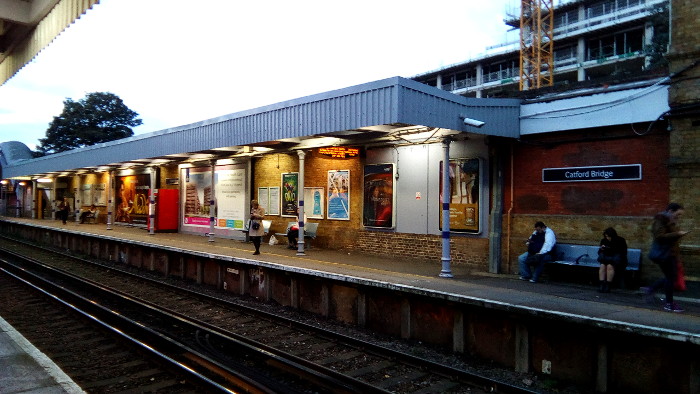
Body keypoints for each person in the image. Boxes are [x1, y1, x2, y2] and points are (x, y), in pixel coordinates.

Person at [644, 203, 689, 313]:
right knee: (671, 278)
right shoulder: (661, 220)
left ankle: (652, 289)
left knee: (671, 277)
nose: (678, 217)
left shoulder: (669, 220)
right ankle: (669, 303)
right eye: (677, 214)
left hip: (670, 254)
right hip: (664, 254)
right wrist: (677, 234)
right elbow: (659, 236)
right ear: (670, 211)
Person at [597, 227, 627, 293]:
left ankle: (608, 285)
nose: (608, 238)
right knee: (602, 266)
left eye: (609, 236)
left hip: (616, 260)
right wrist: (602, 249)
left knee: (609, 266)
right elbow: (599, 252)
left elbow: (623, 252)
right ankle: (601, 284)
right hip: (606, 258)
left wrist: (609, 249)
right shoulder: (604, 240)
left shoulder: (620, 240)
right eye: (606, 236)